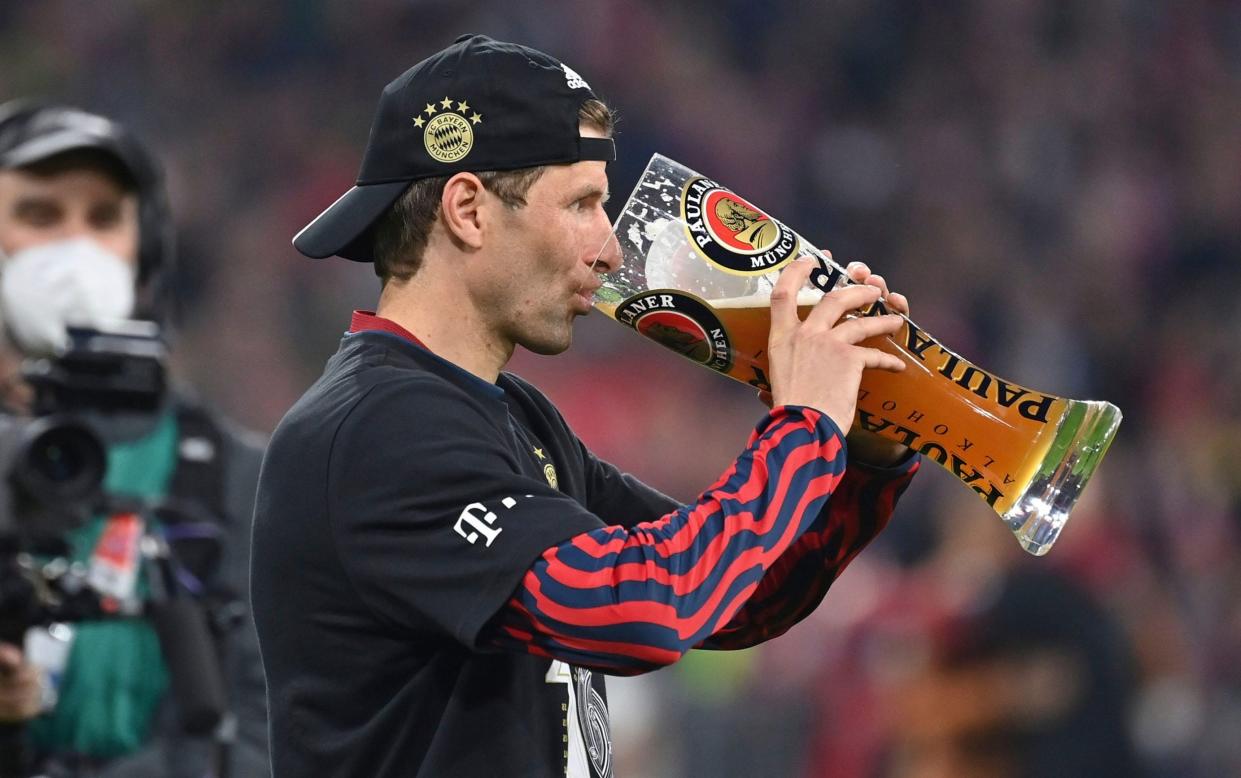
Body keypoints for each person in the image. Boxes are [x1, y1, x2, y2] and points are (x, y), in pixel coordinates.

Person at [252, 34, 920, 778]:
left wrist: (863, 453)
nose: (609, 250)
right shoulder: (376, 430)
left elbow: (733, 597)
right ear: (468, 210)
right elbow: (642, 609)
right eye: (582, 204)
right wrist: (803, 424)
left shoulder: (509, 415)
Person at [0, 101, 269, 777]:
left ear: (143, 249)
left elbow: (268, 734)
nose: (76, 248)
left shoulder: (238, 477)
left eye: (103, 219)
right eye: (40, 216)